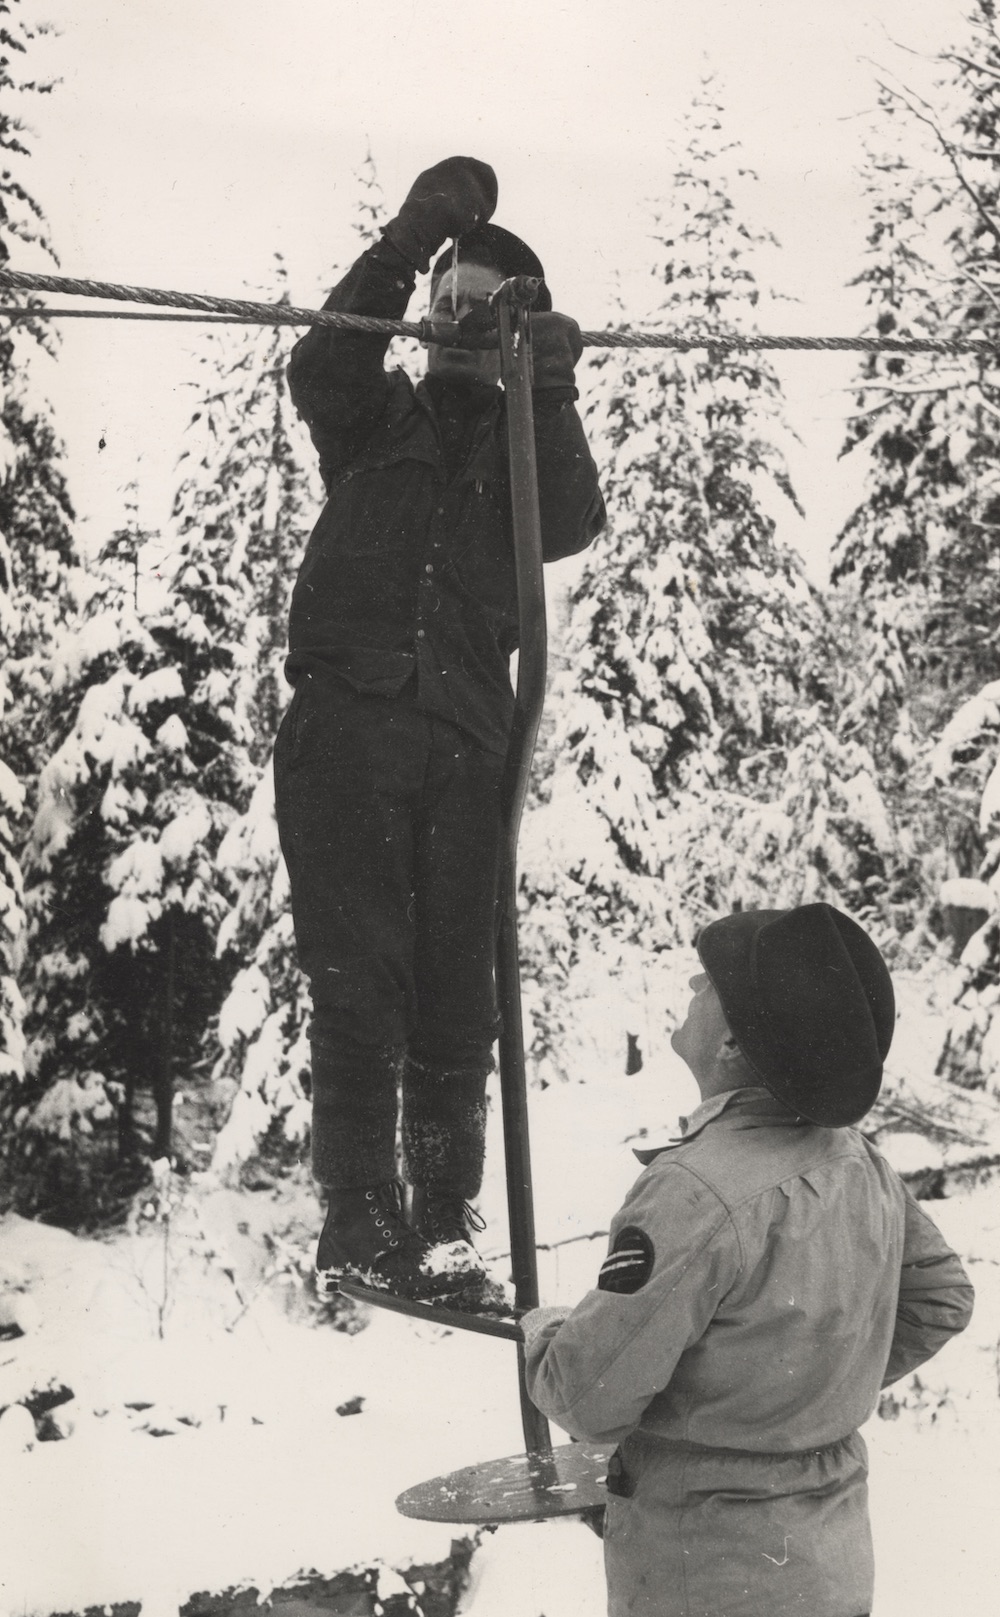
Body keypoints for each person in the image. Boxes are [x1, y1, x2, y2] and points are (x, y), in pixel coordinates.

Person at [276, 157, 605, 1302]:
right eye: (449, 300)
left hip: (468, 746)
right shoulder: (374, 421)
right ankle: (359, 1213)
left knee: (459, 989)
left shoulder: (522, 456)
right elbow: (318, 362)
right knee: (361, 976)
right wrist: (410, 237)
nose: (462, 322)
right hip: (350, 727)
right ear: (423, 317)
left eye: (489, 310)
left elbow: (570, 521)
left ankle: (444, 1219)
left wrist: (549, 390)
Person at [520, 903, 975, 1617]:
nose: (693, 989)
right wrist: (801, 1389)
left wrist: (545, 1333)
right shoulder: (860, 1162)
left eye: (706, 983)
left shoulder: (692, 1191)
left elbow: (587, 1398)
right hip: (831, 1569)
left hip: (711, 1580)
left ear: (732, 1041)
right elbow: (943, 1296)